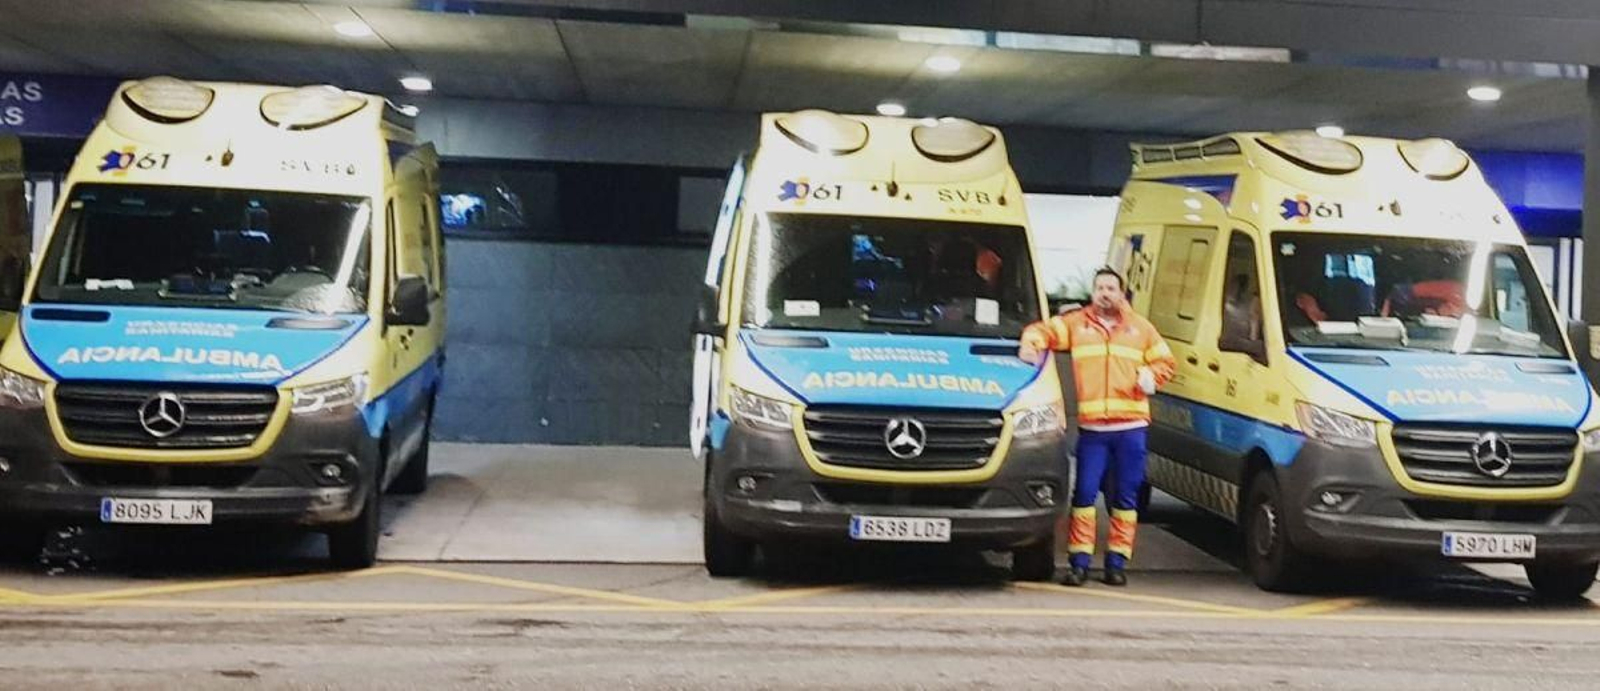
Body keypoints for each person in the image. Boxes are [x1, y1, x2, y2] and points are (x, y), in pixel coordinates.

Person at [1019, 267, 1176, 587]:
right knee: (1085, 495)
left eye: (1111, 288)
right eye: (1100, 288)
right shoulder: (1077, 324)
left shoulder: (1141, 328)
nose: (1105, 293)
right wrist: (1030, 345)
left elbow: (1167, 363)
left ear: (1122, 293)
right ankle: (1079, 564)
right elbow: (1042, 330)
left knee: (1125, 499)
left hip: (1131, 428)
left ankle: (1116, 564)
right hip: (1094, 432)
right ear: (1093, 292)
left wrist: (1152, 376)